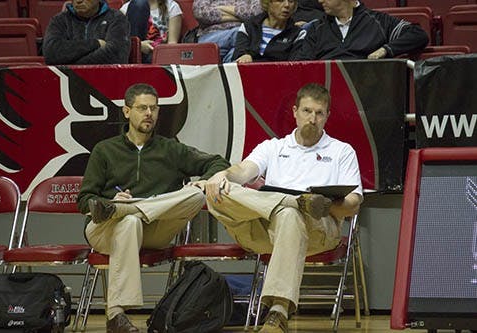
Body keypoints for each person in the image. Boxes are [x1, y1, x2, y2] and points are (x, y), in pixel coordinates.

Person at [205, 83, 363, 333]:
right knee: (216, 190)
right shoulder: (274, 147)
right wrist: (221, 175)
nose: (312, 119)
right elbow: (244, 171)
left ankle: (278, 311)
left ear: (327, 116)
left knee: (290, 216)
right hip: (265, 231)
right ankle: (295, 201)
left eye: (319, 113)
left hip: (319, 232)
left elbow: (353, 205)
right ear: (295, 112)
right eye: (307, 111)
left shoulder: (341, 151)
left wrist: (326, 206)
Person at [77, 83, 230, 332]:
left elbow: (217, 161)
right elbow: (85, 200)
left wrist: (210, 178)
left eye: (154, 108)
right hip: (106, 227)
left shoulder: (171, 149)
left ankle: (130, 209)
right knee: (128, 222)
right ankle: (116, 313)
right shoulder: (105, 150)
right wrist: (111, 204)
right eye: (142, 108)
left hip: (154, 229)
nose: (149, 113)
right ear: (127, 112)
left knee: (194, 194)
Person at [290, 0, 429, 60]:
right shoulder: (316, 28)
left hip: (367, 98)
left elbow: (418, 34)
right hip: (325, 100)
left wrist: (385, 50)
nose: (319, 0)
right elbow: (301, 65)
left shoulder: (379, 21)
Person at [43, 0, 130, 65]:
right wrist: (96, 44)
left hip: (107, 80)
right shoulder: (59, 20)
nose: (78, 1)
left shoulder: (116, 18)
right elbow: (51, 54)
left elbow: (116, 56)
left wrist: (70, 65)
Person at [233, 0, 305, 63]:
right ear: (267, 3)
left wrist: (254, 61)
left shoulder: (298, 34)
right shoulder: (249, 27)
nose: (287, 5)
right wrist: (244, 56)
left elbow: (293, 65)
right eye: (280, 0)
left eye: (291, 1)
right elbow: (239, 54)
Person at [193, 0, 263, 62]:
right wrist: (239, 16)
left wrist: (220, 9)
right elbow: (200, 12)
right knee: (240, 33)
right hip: (211, 37)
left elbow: (256, 13)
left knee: (237, 54)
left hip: (239, 42)